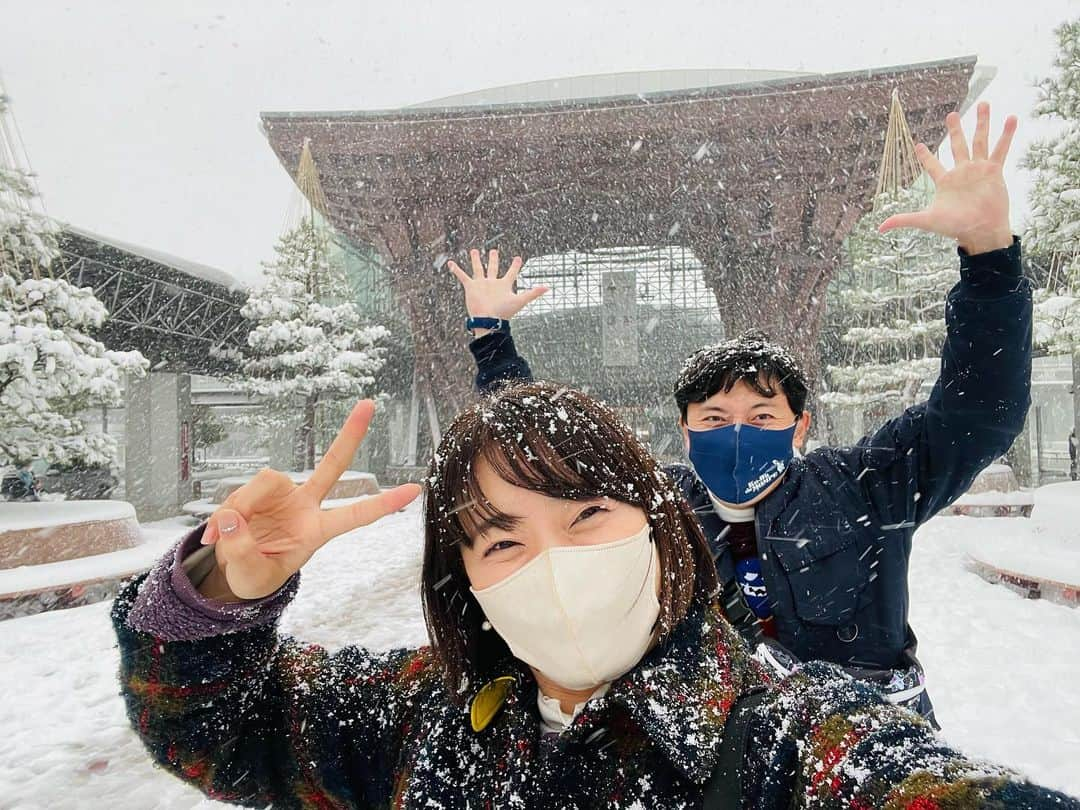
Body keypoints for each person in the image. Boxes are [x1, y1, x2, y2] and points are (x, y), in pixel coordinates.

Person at [113, 387, 1075, 808]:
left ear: (660, 526)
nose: (554, 561)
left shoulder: (793, 738)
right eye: (501, 539)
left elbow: (911, 785)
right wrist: (215, 588)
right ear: (467, 584)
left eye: (586, 516)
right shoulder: (410, 717)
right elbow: (220, 733)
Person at [449, 103, 1032, 724]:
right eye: (713, 416)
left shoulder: (867, 487)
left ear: (799, 424)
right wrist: (491, 342)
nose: (735, 433)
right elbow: (543, 459)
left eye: (760, 416)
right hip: (723, 758)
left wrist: (989, 256)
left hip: (862, 756)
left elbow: (979, 411)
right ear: (684, 429)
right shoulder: (653, 505)